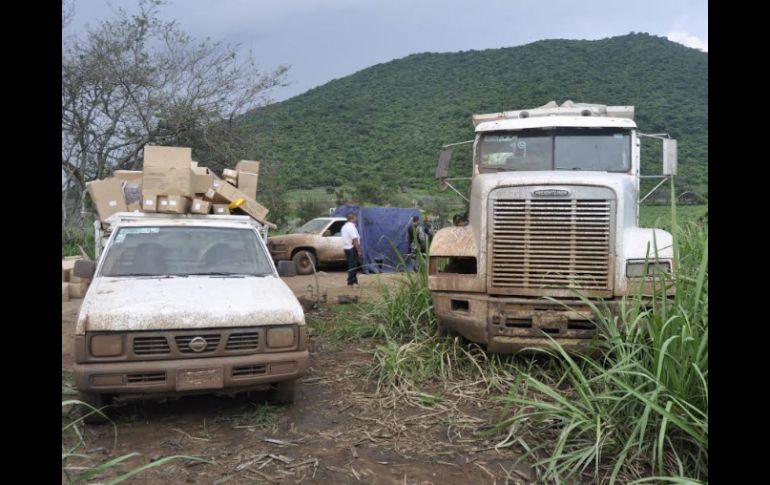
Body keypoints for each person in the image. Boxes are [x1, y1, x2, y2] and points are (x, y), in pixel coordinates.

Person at [341, 212, 362, 286]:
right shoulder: (351, 227)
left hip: (346, 248)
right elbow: (355, 240)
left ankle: (354, 281)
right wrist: (359, 250)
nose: (356, 219)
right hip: (352, 248)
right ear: (352, 219)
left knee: (352, 265)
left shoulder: (344, 227)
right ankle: (351, 281)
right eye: (355, 218)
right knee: (353, 266)